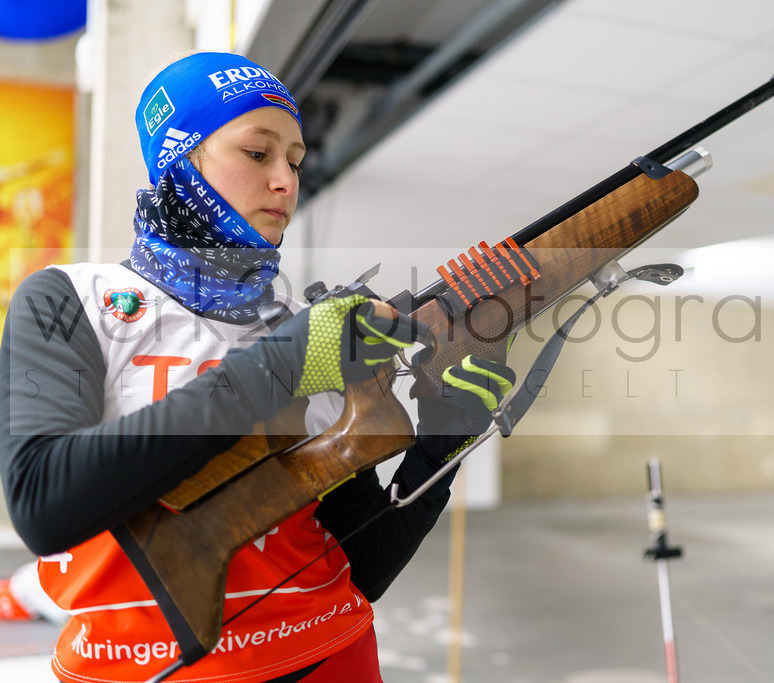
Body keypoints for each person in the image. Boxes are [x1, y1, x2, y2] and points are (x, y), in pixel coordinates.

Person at [0, 52, 515, 683]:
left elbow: (362, 565)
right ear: (179, 159)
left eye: (296, 161)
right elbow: (41, 501)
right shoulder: (71, 300)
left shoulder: (304, 328)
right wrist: (288, 360)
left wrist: (439, 446)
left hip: (336, 657)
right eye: (257, 153)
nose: (286, 181)